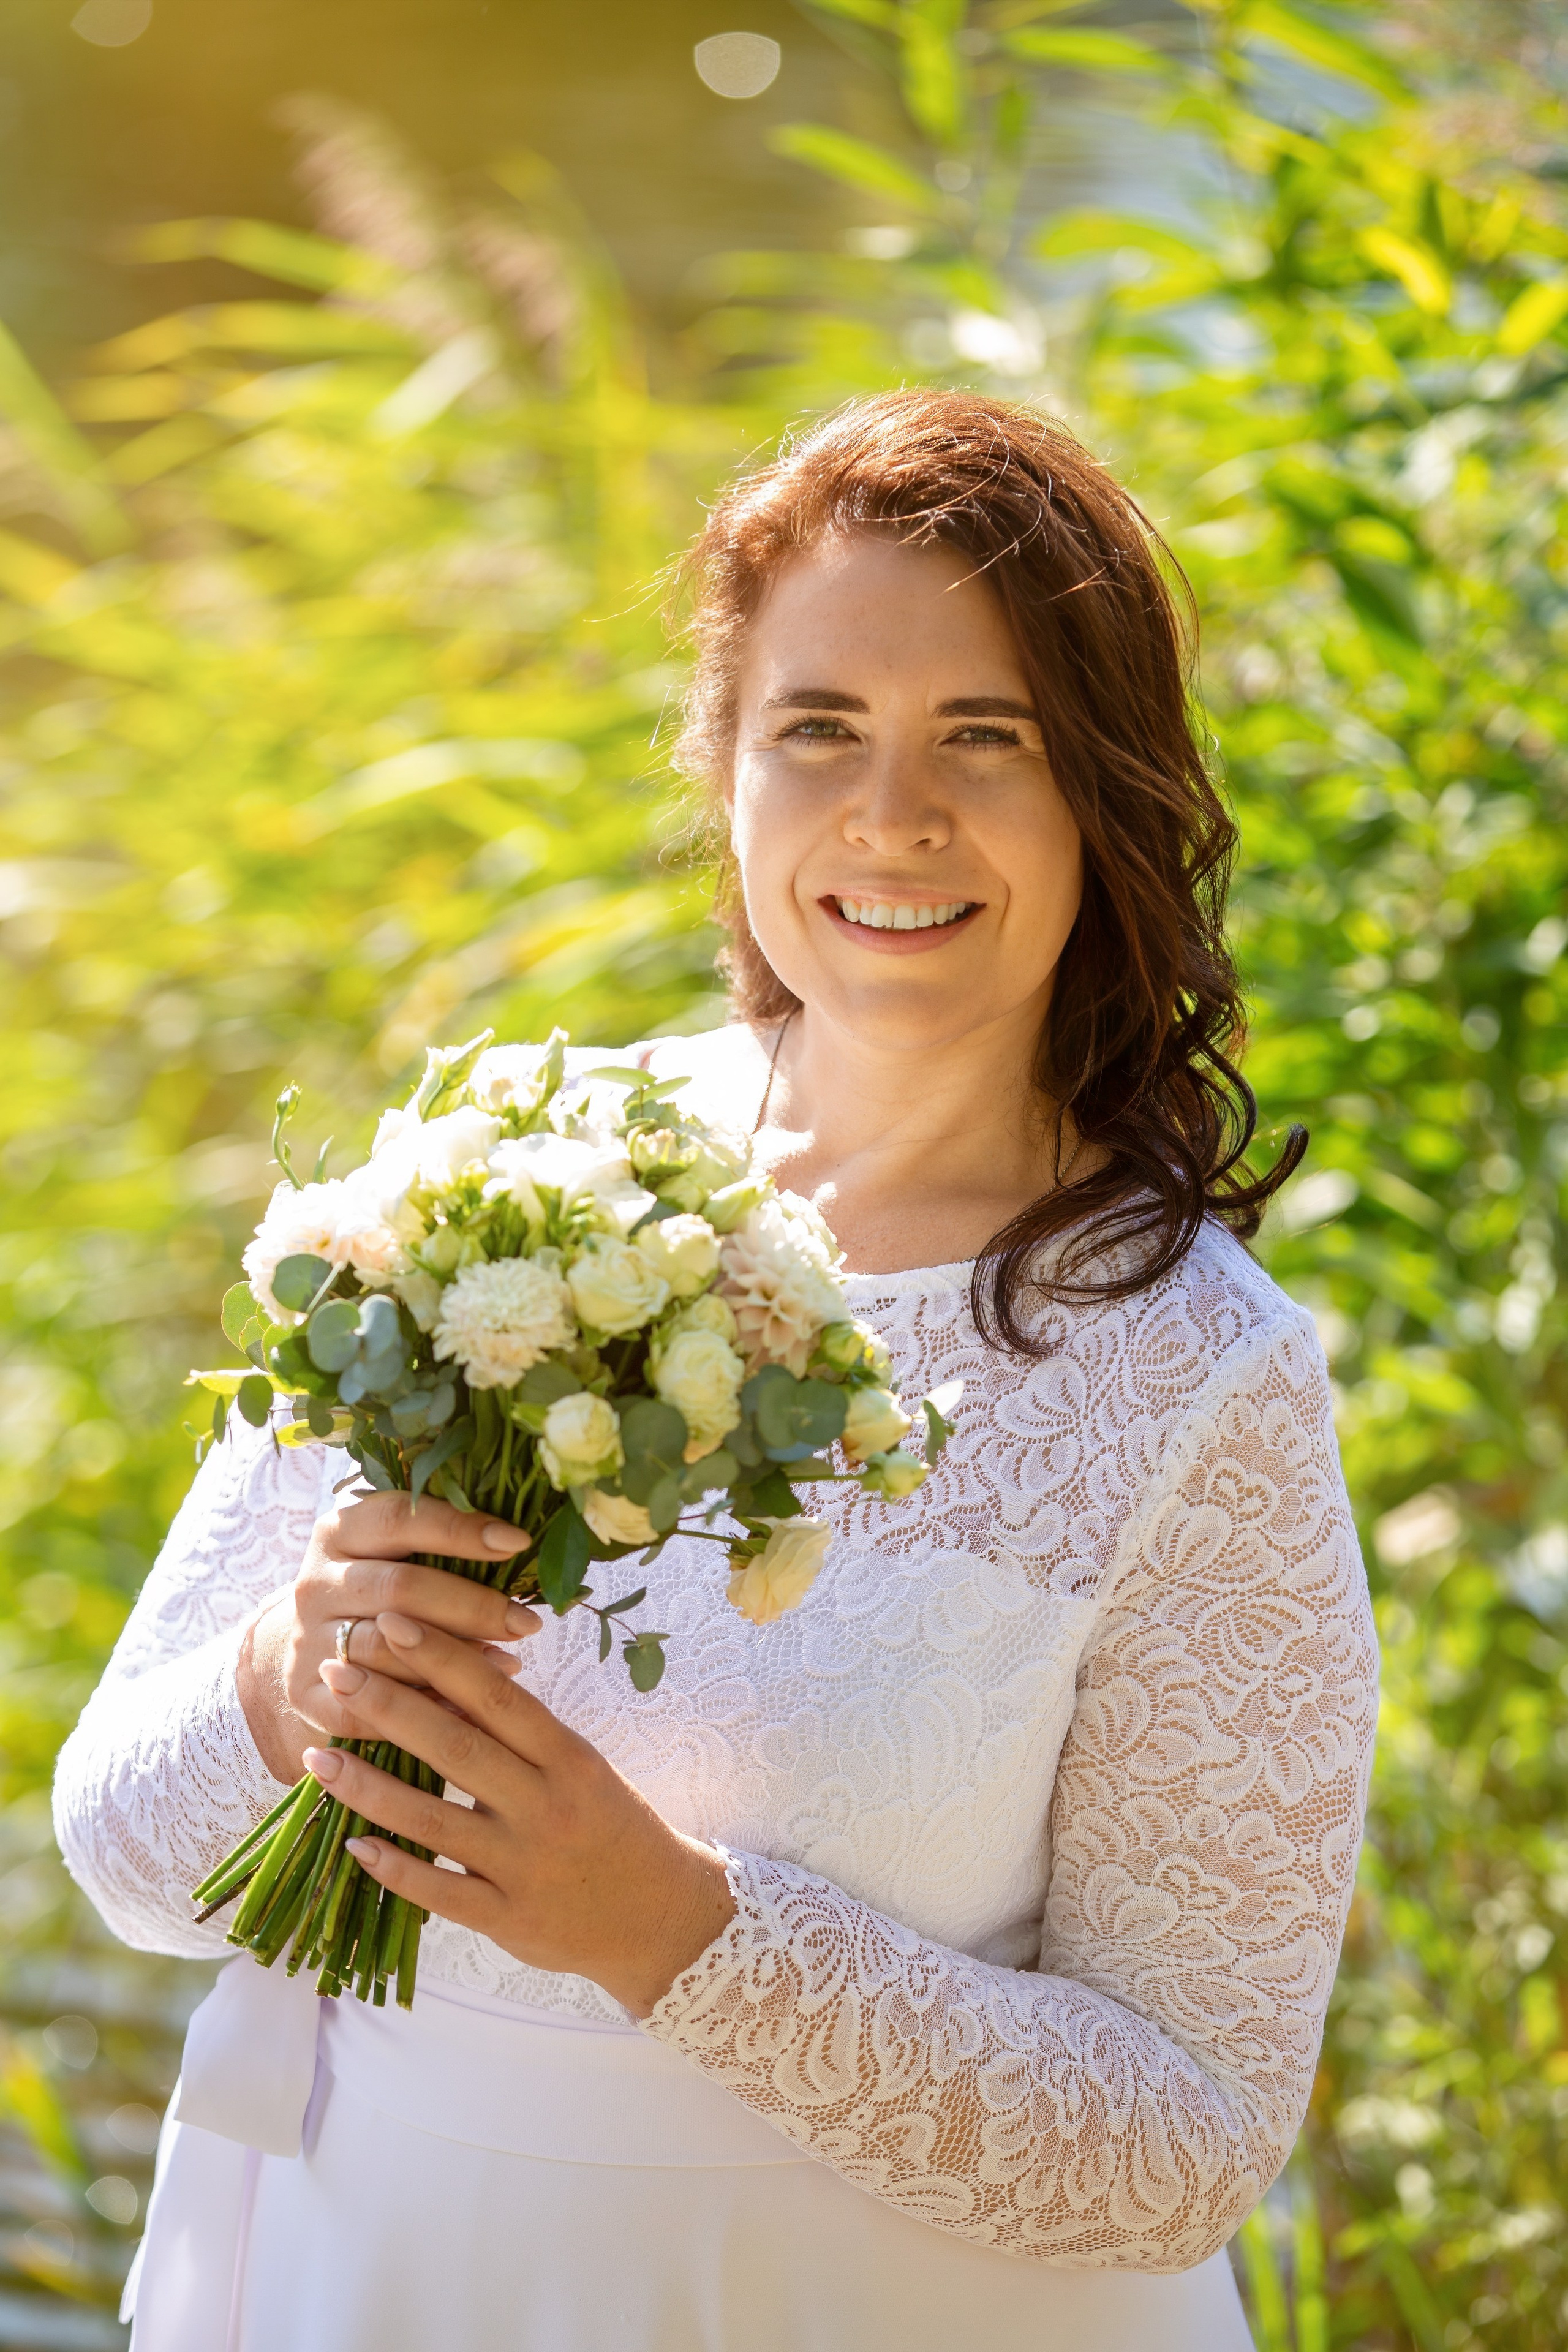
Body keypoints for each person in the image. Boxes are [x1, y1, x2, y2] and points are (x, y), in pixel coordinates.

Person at [55, 390, 1378, 2352]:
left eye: (986, 738)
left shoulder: (1201, 1373)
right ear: (727, 766)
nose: (892, 816)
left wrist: (672, 1934)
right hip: (385, 2280)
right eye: (819, 727)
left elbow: (1187, 2142)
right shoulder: (508, 1179)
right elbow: (124, 1860)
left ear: (1104, 794)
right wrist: (283, 1680)